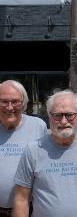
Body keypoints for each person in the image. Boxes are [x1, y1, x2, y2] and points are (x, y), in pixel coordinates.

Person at [13, 90, 77, 217]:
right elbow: (21, 200)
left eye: (70, 115)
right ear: (49, 116)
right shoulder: (33, 151)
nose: (64, 121)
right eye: (58, 115)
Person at [0, 80, 47, 217]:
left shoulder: (38, 126)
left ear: (24, 103)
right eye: (4, 101)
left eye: (15, 102)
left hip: (29, 208)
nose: (10, 107)